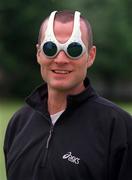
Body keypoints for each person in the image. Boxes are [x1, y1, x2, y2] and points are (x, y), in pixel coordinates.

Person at [4, 10, 132, 180]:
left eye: (74, 48)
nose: (61, 59)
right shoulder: (19, 123)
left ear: (91, 56)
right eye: (51, 48)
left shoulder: (119, 128)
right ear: (38, 53)